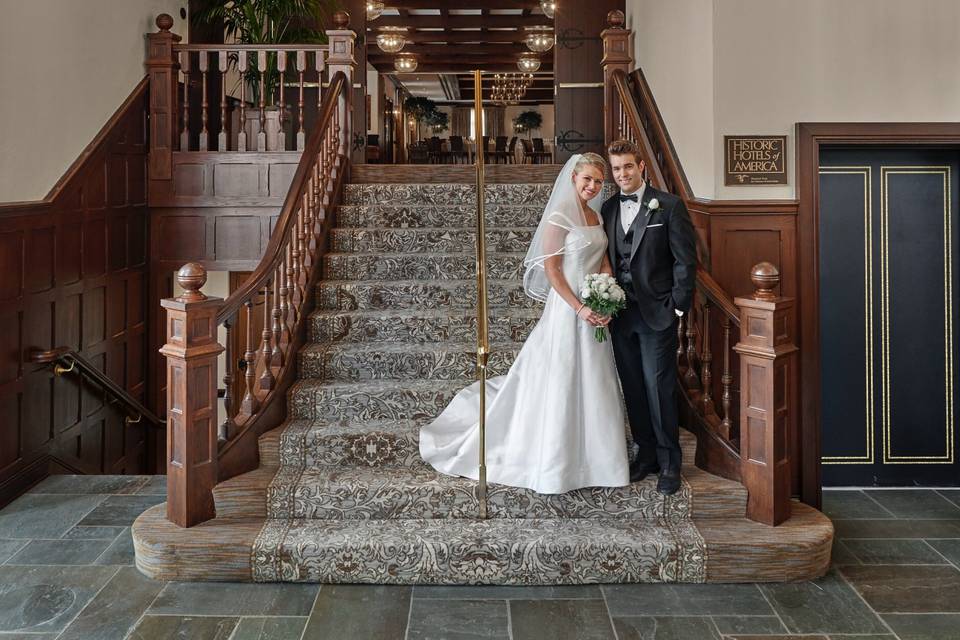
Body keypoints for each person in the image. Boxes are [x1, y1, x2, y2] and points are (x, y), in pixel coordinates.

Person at [419, 153, 630, 494]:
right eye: (586, 179)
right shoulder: (560, 216)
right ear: (573, 178)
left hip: (595, 308)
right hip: (567, 312)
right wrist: (579, 308)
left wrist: (606, 295)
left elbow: (603, 259)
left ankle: (599, 460)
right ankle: (558, 463)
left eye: (598, 181)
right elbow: (553, 271)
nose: (592, 186)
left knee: (595, 377)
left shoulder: (595, 215)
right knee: (563, 378)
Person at [601, 139, 697, 495]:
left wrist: (677, 306)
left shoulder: (668, 206)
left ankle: (671, 461)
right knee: (634, 389)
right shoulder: (608, 208)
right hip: (620, 315)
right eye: (616, 169)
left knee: (660, 388)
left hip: (658, 314)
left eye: (628, 166)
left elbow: (685, 260)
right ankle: (647, 456)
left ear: (641, 167)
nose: (622, 173)